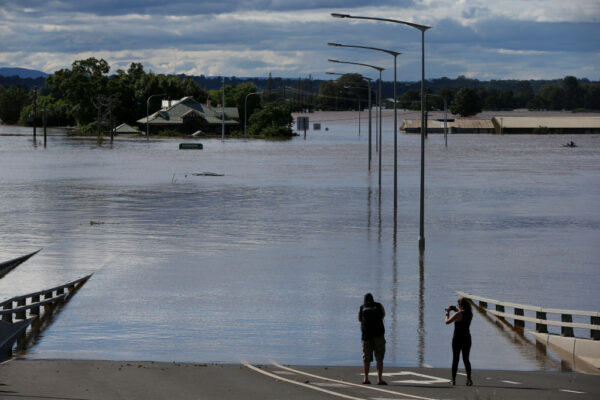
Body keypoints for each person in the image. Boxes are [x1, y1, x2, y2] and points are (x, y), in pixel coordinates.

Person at [358, 293, 386, 385]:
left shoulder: (362, 307)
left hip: (366, 336)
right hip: (378, 335)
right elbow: (383, 315)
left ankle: (366, 378)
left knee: (366, 358)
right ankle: (379, 379)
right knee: (379, 358)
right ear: (373, 299)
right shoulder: (379, 306)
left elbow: (359, 319)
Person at [445, 297, 473, 386]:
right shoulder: (470, 313)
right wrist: (455, 309)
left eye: (458, 305)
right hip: (467, 338)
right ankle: (469, 379)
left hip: (457, 339)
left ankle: (453, 380)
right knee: (466, 359)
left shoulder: (458, 314)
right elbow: (460, 314)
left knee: (455, 359)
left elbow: (447, 322)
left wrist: (448, 313)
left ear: (461, 305)